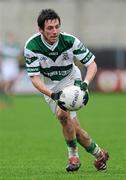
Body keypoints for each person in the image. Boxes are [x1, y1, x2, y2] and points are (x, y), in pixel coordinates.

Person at [24, 9, 109, 172]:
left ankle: (73, 157)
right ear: (40, 29)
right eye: (49, 28)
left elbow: (91, 64)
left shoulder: (70, 41)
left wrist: (85, 83)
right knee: (74, 128)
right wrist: (52, 94)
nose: (54, 31)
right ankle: (100, 154)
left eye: (57, 27)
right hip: (49, 86)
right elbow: (34, 78)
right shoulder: (32, 46)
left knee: (62, 114)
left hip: (71, 79)